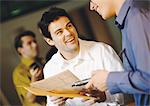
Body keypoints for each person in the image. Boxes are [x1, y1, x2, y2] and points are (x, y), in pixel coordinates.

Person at [38, 7, 125, 106]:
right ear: (50, 41)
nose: (68, 33)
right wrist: (57, 104)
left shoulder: (102, 50)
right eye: (59, 32)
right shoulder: (50, 69)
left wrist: (104, 96)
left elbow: (126, 91)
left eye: (69, 26)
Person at [86, 0, 150, 105]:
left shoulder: (137, 17)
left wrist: (109, 80)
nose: (91, 7)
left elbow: (148, 78)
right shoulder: (132, 18)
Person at [13, 31, 46, 106]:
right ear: (20, 50)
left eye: (35, 41)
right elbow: (30, 99)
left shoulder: (43, 62)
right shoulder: (19, 72)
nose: (35, 45)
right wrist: (34, 79)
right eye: (29, 43)